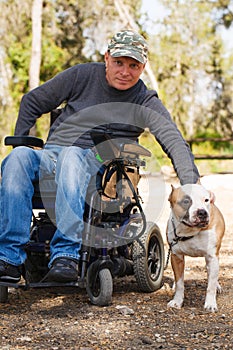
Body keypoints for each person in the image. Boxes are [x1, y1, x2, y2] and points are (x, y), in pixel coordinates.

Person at [0, 29, 200, 283]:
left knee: (71, 156)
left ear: (143, 67)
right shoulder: (82, 76)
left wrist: (192, 184)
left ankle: (66, 255)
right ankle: (8, 259)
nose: (125, 72)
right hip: (52, 156)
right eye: (118, 62)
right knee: (17, 158)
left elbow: (173, 139)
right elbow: (32, 101)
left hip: (101, 166)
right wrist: (23, 140)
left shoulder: (144, 100)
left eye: (133, 65)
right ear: (106, 58)